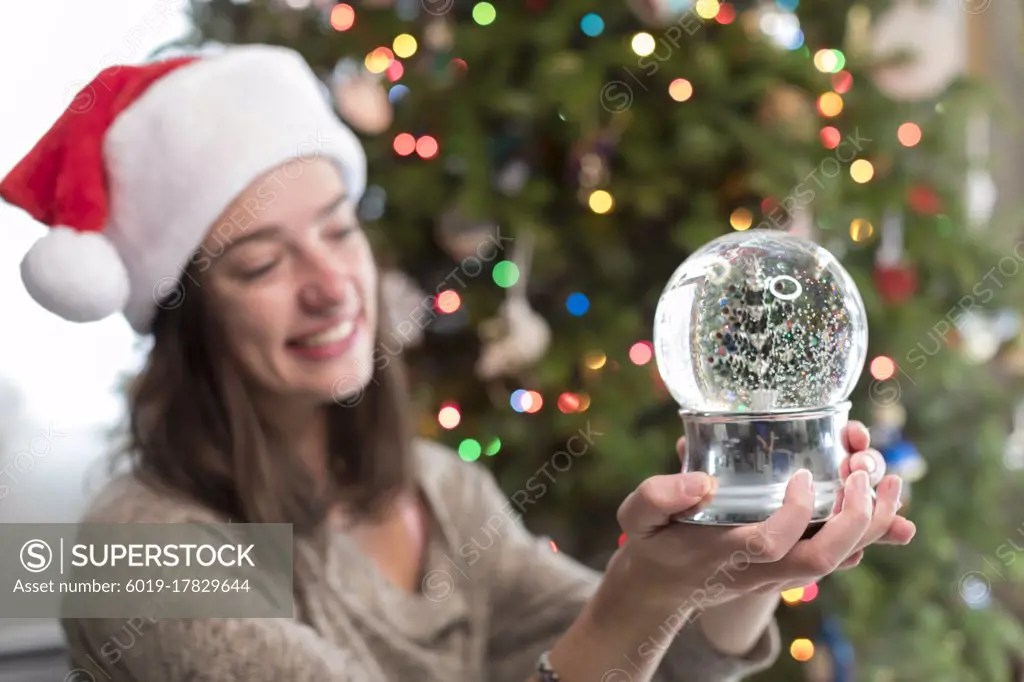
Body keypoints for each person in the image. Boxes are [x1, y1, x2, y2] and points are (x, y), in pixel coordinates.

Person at [0, 44, 914, 682]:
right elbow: (619, 637)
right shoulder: (134, 559)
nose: (331, 285)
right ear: (184, 317)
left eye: (337, 229)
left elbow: (664, 661)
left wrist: (743, 563)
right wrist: (637, 598)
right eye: (263, 263)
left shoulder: (439, 491)